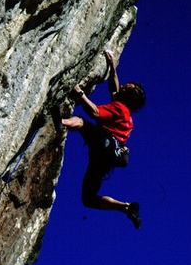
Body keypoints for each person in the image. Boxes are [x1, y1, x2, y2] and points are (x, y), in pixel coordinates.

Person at [59, 51, 146, 229]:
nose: (122, 87)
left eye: (126, 88)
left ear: (128, 96)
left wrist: (80, 94)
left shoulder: (120, 108)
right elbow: (114, 87)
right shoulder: (126, 114)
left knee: (82, 122)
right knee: (88, 199)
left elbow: (95, 112)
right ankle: (126, 208)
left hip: (104, 145)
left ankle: (60, 123)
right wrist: (112, 66)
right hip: (107, 159)